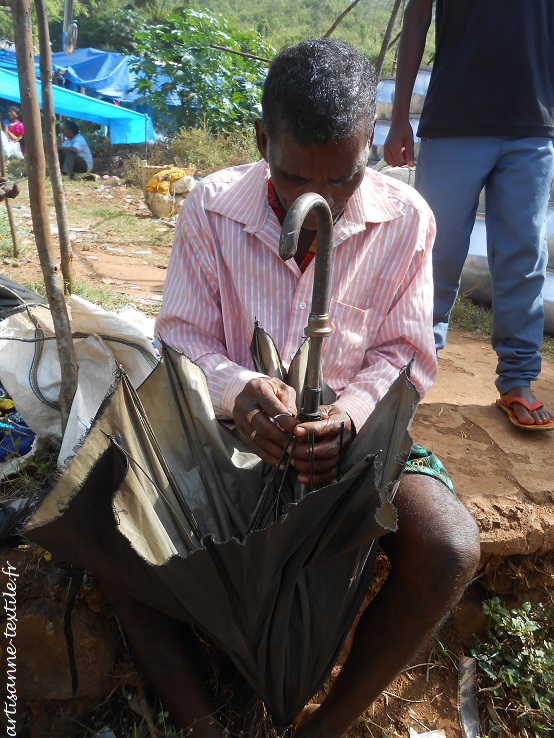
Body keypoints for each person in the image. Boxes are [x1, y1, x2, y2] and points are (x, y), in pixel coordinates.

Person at [103, 39, 480, 738]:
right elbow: (182, 338)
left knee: (450, 545)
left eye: (343, 181)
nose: (320, 205)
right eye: (294, 180)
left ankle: (326, 725)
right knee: (114, 529)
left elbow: (405, 355)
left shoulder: (406, 219)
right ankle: (202, 725)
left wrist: (350, 415)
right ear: (260, 142)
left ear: (368, 143)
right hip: (228, 437)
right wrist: (238, 391)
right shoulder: (212, 208)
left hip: (352, 442)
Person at [384, 0, 554, 432]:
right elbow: (417, 17)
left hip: (533, 126)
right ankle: (412, 368)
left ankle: (517, 379)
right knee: (432, 253)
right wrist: (399, 116)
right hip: (453, 120)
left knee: (523, 255)